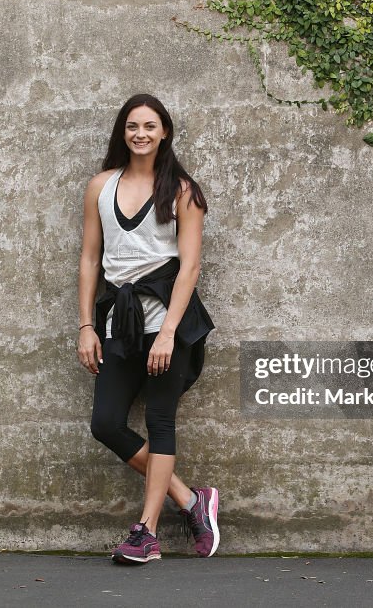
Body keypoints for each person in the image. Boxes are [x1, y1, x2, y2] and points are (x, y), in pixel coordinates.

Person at [77, 94, 219, 564]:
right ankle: (190, 499)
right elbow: (90, 260)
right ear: (123, 132)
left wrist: (168, 333)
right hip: (119, 319)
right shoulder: (100, 185)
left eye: (150, 126)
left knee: (160, 420)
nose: (140, 133)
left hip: (169, 320)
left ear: (164, 133)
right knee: (106, 423)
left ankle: (147, 532)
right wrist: (85, 325)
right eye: (132, 126)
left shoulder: (182, 191)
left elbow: (190, 267)